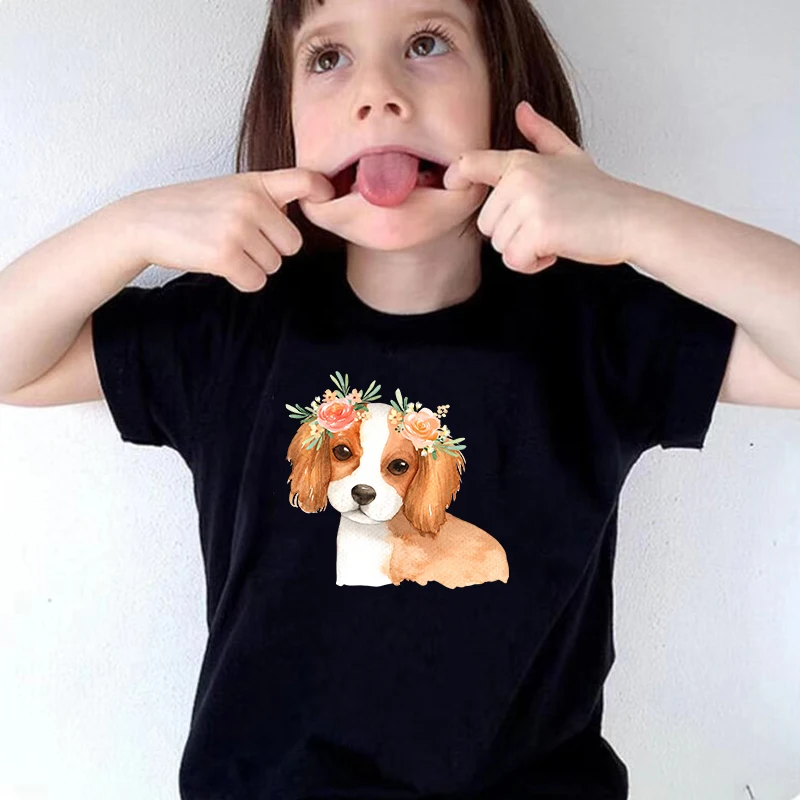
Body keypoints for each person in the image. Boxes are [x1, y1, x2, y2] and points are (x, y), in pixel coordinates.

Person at [2, 0, 799, 797]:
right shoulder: (232, 327)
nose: (376, 94)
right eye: (328, 58)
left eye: (425, 43)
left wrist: (635, 219)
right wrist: (133, 227)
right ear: (284, 113)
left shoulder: (595, 328)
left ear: (503, 86)